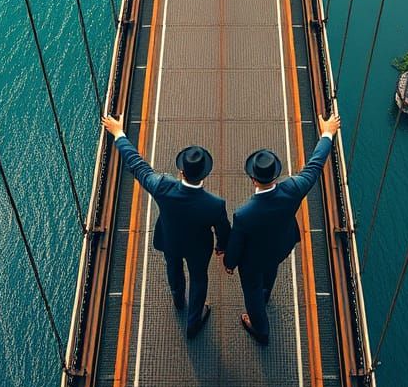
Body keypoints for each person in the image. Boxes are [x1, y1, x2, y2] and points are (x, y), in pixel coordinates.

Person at [102, 113, 230, 340]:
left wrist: (119, 133)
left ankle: (178, 298)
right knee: (199, 279)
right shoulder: (215, 205)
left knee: (173, 266)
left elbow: (137, 165)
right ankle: (193, 322)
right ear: (205, 174)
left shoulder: (162, 187)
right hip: (198, 249)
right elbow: (223, 229)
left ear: (181, 171)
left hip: (170, 240)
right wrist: (221, 247)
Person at [224, 111, 340, 346]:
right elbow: (315, 165)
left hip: (253, 262)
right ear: (275, 175)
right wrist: (327, 133)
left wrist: (229, 264)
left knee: (252, 293)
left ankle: (261, 329)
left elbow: (236, 245)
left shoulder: (244, 215)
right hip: (280, 248)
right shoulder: (294, 188)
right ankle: (266, 294)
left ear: (253, 179)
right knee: (271, 272)